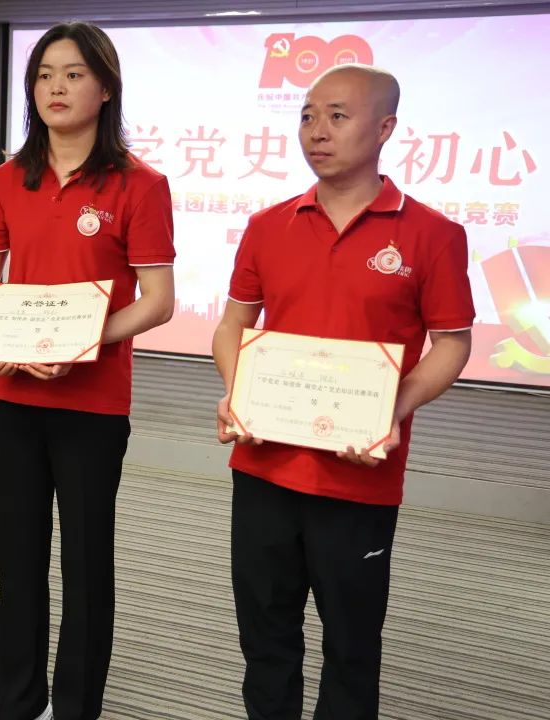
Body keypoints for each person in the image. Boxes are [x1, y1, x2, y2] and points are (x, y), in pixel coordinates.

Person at [212, 64, 474, 720]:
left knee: (352, 645)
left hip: (360, 475)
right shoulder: (268, 225)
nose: (316, 131)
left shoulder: (433, 234)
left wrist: (395, 407)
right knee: (265, 637)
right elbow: (233, 326)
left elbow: (452, 344)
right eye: (306, 116)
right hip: (264, 464)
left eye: (337, 115)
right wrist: (237, 389)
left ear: (385, 128)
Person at [0, 22, 175, 720]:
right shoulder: (7, 178)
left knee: (86, 562)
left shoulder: (140, 184)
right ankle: (17, 702)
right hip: (8, 392)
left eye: (74, 74)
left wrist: (81, 344)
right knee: (18, 557)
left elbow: (158, 301)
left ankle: (76, 706)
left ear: (106, 87)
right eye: (44, 74)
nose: (55, 87)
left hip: (92, 401)